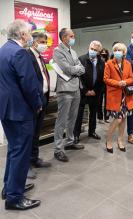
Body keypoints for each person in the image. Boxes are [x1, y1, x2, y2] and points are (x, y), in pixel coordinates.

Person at [0, 20, 42, 210]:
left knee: (13, 149)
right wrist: (37, 104)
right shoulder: (19, 52)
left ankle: (9, 187)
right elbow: (29, 85)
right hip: (20, 111)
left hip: (7, 109)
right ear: (22, 35)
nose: (30, 36)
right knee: (21, 152)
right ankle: (14, 198)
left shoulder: (3, 50)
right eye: (28, 33)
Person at [53, 28, 85, 162]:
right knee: (62, 120)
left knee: (73, 117)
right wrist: (76, 69)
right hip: (65, 90)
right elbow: (66, 69)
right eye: (71, 36)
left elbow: (82, 68)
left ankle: (70, 142)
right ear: (64, 37)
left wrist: (75, 69)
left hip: (76, 88)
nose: (73, 38)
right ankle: (58, 149)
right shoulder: (57, 51)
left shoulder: (73, 51)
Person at [26, 32, 52, 179]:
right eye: (42, 42)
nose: (44, 45)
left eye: (45, 42)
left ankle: (34, 159)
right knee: (29, 134)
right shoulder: (27, 56)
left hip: (43, 98)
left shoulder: (40, 57)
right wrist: (36, 100)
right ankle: (27, 165)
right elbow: (29, 81)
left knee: (36, 132)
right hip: (34, 101)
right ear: (34, 42)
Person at [104, 43, 133, 153]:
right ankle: (108, 140)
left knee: (123, 119)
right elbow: (106, 79)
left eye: (119, 50)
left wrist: (124, 82)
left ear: (124, 53)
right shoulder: (109, 63)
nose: (117, 52)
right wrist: (118, 83)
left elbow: (131, 78)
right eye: (115, 50)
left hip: (126, 96)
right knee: (118, 119)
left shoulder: (127, 64)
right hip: (115, 95)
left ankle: (120, 140)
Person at [73, 41, 104, 144]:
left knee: (93, 113)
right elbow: (78, 77)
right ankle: (76, 135)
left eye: (95, 50)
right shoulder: (81, 59)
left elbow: (102, 79)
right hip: (83, 92)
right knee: (79, 114)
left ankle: (92, 131)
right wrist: (85, 90)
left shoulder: (102, 62)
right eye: (92, 48)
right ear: (89, 47)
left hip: (95, 93)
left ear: (99, 52)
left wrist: (95, 91)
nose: (93, 51)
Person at [100, 48, 110, 123]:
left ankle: (106, 117)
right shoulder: (98, 62)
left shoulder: (109, 62)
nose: (103, 54)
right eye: (102, 53)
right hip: (100, 83)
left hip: (107, 84)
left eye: (105, 53)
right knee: (99, 101)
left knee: (107, 101)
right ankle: (100, 117)